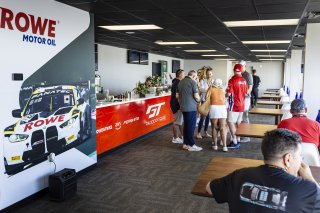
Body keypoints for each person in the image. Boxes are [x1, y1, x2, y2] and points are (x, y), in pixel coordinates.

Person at [206, 128, 320, 212]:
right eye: (300, 156)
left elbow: (209, 188)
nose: (301, 160)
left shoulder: (239, 175)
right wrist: (310, 178)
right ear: (288, 159)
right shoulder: (308, 190)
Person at [177, 70, 202, 151]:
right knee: (191, 126)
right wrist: (199, 100)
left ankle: (185, 144)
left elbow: (177, 96)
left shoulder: (180, 82)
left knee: (186, 126)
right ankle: (191, 145)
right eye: (196, 77)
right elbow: (197, 96)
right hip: (191, 108)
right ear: (194, 76)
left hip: (183, 107)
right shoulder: (192, 82)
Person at [226, 64, 248, 149]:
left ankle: (235, 141)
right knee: (238, 122)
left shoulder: (232, 80)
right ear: (241, 70)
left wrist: (224, 95)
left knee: (230, 122)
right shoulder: (244, 80)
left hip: (234, 105)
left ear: (234, 70)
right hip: (242, 105)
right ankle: (238, 139)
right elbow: (246, 93)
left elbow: (228, 93)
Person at [206, 78, 228, 152]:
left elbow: (206, 97)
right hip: (222, 108)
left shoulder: (211, 89)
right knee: (223, 127)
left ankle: (215, 145)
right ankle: (225, 146)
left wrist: (209, 88)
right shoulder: (222, 89)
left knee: (214, 127)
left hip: (214, 108)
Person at [197, 67, 213, 139]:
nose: (210, 75)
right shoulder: (203, 81)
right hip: (204, 101)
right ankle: (198, 133)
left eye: (211, 73)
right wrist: (209, 89)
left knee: (208, 118)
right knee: (202, 118)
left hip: (211, 101)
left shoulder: (213, 81)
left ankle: (205, 132)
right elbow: (200, 89)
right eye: (208, 74)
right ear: (206, 74)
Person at [239, 60, 253, 143]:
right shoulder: (239, 74)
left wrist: (243, 94)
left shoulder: (247, 75)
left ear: (245, 66)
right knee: (240, 117)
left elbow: (250, 88)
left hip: (246, 98)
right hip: (240, 98)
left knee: (244, 116)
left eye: (241, 66)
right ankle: (241, 134)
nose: (240, 68)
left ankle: (246, 136)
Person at [170, 69, 185, 144]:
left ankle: (182, 136)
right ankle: (175, 138)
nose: (184, 76)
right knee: (176, 122)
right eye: (183, 74)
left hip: (176, 104)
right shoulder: (178, 83)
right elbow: (177, 96)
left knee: (179, 121)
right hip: (176, 105)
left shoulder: (175, 81)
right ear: (180, 75)